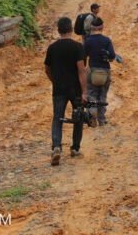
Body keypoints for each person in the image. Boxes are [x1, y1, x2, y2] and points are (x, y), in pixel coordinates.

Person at [44, 17, 87, 165]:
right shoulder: (77, 47)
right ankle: (75, 149)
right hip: (75, 89)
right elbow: (81, 71)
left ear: (58, 30)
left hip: (58, 89)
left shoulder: (52, 48)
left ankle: (56, 147)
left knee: (57, 118)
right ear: (71, 29)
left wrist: (54, 81)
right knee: (79, 118)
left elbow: (47, 69)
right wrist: (84, 92)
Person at [83, 17, 116, 126]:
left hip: (92, 70)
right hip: (105, 71)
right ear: (102, 27)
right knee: (102, 95)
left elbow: (83, 56)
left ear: (92, 28)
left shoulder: (88, 41)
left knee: (91, 94)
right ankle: (101, 119)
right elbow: (112, 57)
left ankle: (92, 112)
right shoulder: (106, 40)